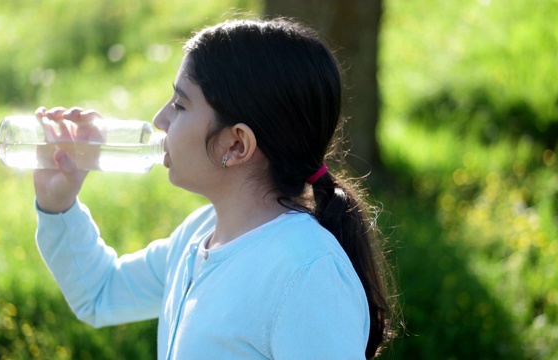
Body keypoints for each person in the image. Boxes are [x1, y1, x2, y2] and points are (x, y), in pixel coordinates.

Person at [33, 18, 395, 359]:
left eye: (179, 104)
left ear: (236, 145)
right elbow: (101, 293)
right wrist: (58, 204)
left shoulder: (308, 272)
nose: (160, 120)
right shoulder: (199, 234)